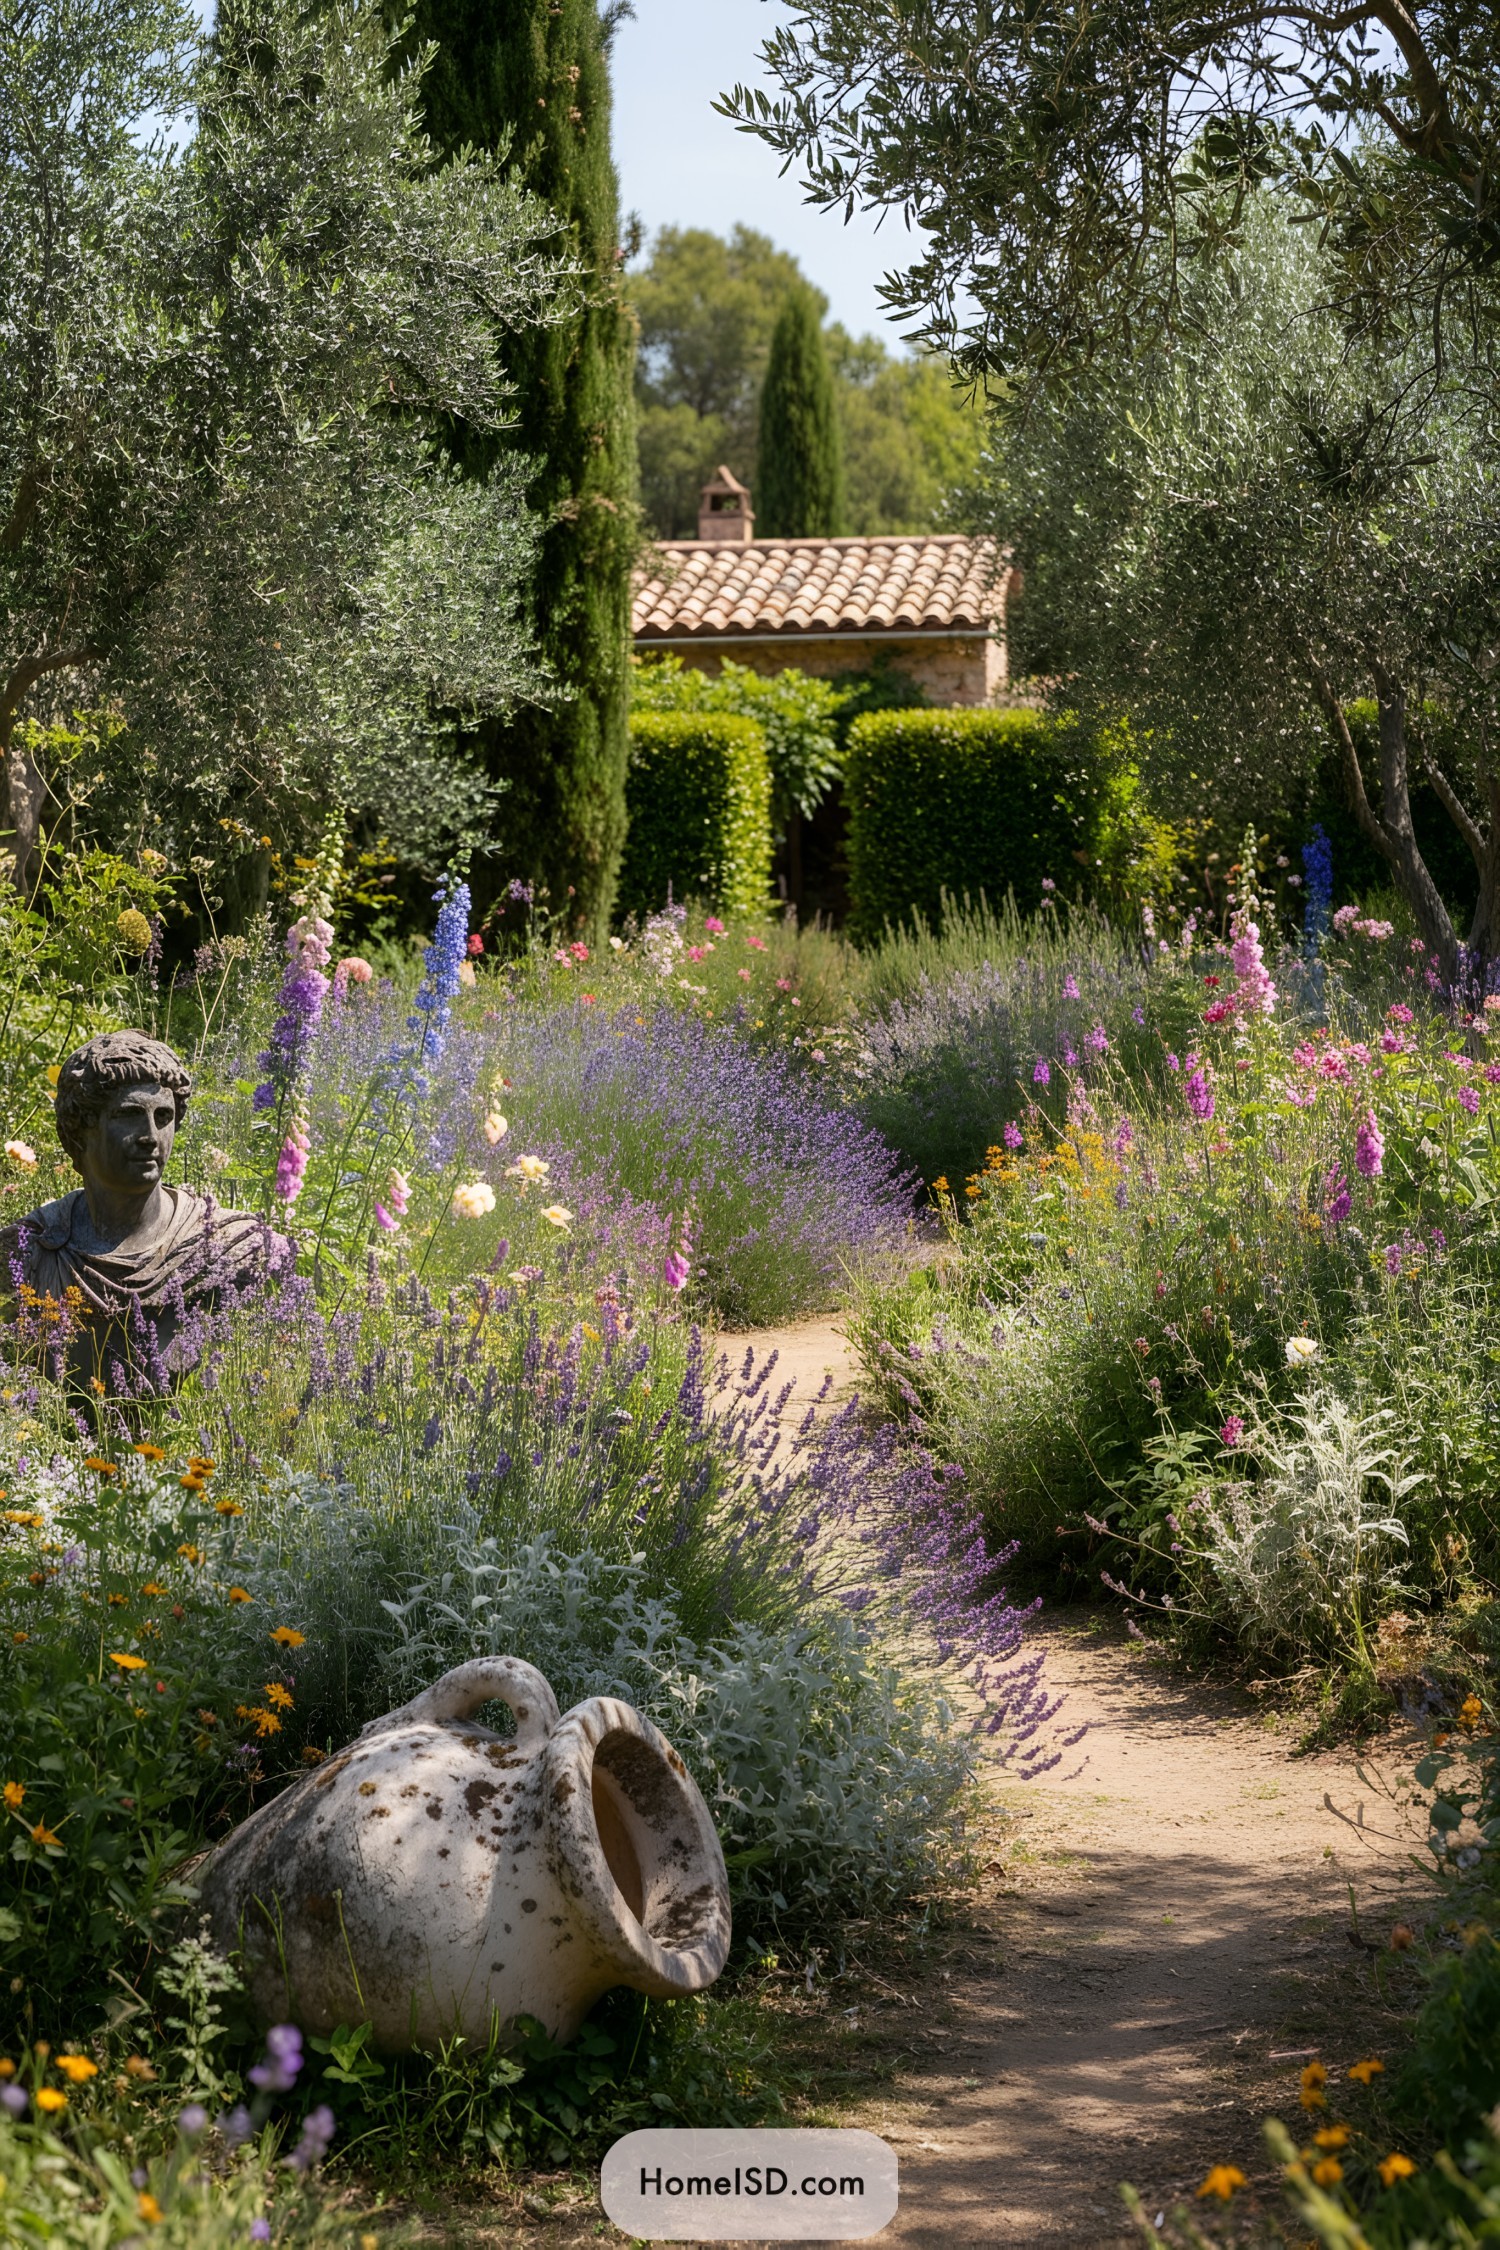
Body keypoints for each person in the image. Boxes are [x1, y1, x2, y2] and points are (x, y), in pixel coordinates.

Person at [1, 1030, 290, 1389]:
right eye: (129, 1114)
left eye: (164, 1116)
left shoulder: (235, 1248)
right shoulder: (30, 1252)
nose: (151, 1135)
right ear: (80, 1130)